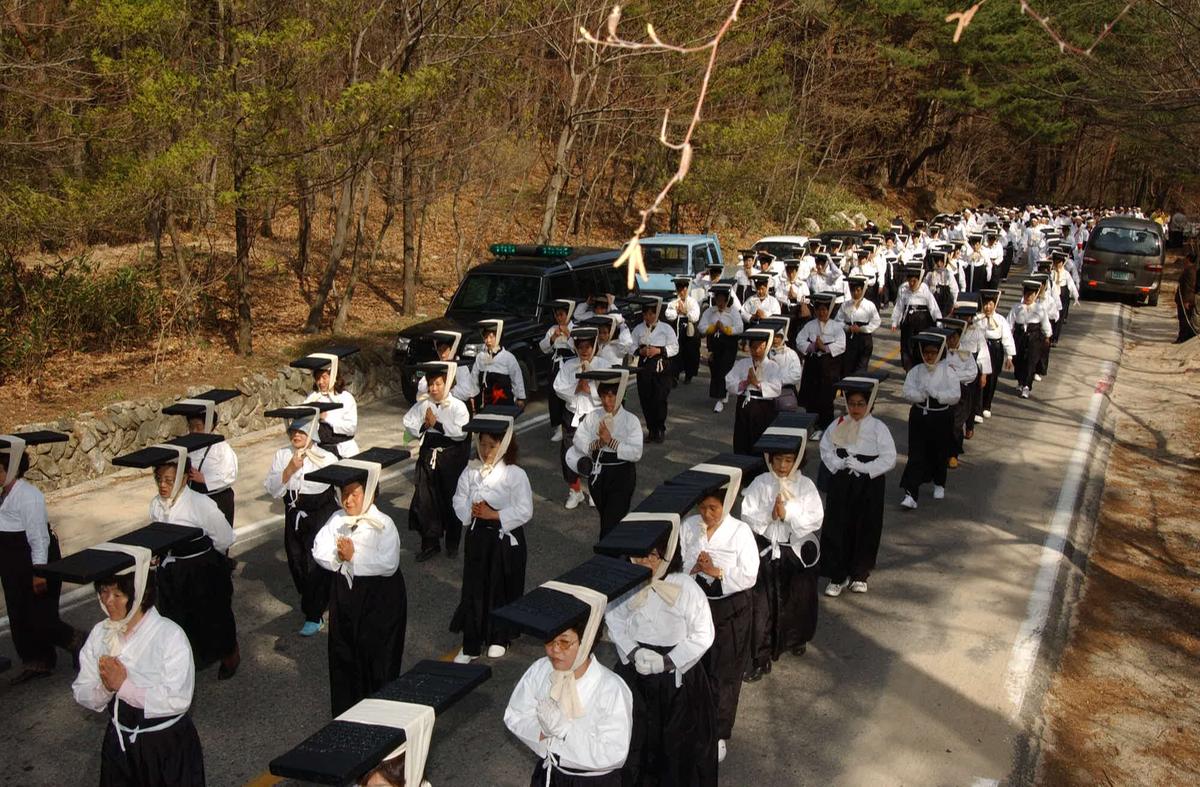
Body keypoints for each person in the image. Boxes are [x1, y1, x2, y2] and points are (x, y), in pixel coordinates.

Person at [68, 540, 206, 786]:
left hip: (165, 749)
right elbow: (82, 689)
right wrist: (105, 688)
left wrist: (123, 686)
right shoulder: (101, 633)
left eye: (118, 594)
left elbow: (178, 699)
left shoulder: (169, 635)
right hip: (119, 743)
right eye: (104, 592)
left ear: (140, 593)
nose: (109, 601)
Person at [603, 518, 718, 786]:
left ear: (667, 555)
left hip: (677, 675)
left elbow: (703, 633)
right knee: (636, 739)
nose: (646, 562)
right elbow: (614, 618)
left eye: (653, 556)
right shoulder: (625, 583)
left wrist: (667, 661)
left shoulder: (686, 586)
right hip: (636, 671)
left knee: (677, 744)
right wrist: (632, 653)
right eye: (639, 555)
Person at [114, 436, 240, 679]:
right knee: (176, 619)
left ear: (184, 479)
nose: (163, 485)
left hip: (201, 568)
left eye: (170, 480)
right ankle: (183, 663)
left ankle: (229, 653)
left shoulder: (201, 504)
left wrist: (211, 562)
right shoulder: (156, 505)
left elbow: (224, 537)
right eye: (159, 479)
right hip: (171, 571)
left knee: (212, 617)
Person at [310, 449, 409, 715]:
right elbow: (319, 548)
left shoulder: (383, 524)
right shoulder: (337, 520)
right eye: (344, 493)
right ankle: (349, 713)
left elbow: (388, 563)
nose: (348, 500)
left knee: (378, 656)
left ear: (370, 493)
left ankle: (380, 714)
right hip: (346, 594)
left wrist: (354, 558)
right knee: (344, 653)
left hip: (380, 598)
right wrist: (340, 560)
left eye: (355, 493)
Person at [504, 583, 634, 786]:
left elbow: (614, 753)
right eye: (549, 641)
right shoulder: (540, 670)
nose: (554, 650)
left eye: (564, 642)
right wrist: (543, 734)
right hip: (550, 774)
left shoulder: (611, 688)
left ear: (587, 641)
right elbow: (515, 714)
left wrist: (565, 731)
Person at [680, 477, 759, 763]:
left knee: (724, 674)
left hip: (731, 609)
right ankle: (696, 725)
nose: (707, 515)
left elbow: (750, 574)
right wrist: (694, 567)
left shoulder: (740, 531)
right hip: (697, 606)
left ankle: (719, 733)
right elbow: (678, 561)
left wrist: (716, 572)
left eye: (713, 508)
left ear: (726, 505)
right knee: (696, 669)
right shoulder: (689, 527)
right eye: (702, 508)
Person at [0, 432, 84, 683]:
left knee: (41, 617)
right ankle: (37, 661)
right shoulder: (3, 494)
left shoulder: (28, 496)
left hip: (32, 559)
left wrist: (39, 572)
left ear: (11, 468)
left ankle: (78, 641)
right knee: (18, 614)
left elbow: (38, 537)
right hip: (11, 562)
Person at [741, 426, 824, 681]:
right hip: (767, 550)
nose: (782, 465)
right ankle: (761, 656)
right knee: (762, 606)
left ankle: (795, 638)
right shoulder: (760, 483)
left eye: (788, 460)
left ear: (797, 459)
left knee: (796, 601)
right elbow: (746, 512)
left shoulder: (806, 486)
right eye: (777, 459)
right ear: (769, 459)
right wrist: (770, 515)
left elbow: (815, 517)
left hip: (793, 552)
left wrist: (788, 515)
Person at [451, 414, 532, 664]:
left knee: (499, 585)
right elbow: (459, 498)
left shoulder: (514, 474)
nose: (486, 450)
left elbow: (525, 509)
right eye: (482, 444)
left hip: (504, 537)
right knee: (474, 586)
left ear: (504, 445)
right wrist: (469, 512)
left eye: (492, 445)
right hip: (477, 535)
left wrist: (495, 514)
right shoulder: (471, 470)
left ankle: (499, 637)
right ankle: (471, 643)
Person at [264, 405, 340, 636]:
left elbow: (339, 487)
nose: (296, 436)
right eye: (293, 432)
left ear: (312, 433)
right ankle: (315, 598)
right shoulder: (282, 455)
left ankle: (314, 614)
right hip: (294, 513)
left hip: (320, 514)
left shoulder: (327, 457)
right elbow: (272, 488)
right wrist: (288, 470)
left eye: (302, 432)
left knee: (314, 563)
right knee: (296, 562)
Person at [819, 377, 897, 597]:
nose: (855, 408)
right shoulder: (839, 424)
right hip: (843, 480)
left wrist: (865, 467)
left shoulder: (878, 428)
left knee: (866, 524)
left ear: (869, 404)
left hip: (868, 483)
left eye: (860, 404)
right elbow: (826, 448)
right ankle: (838, 574)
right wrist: (838, 463)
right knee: (838, 523)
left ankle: (860, 573)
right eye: (851, 403)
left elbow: (889, 457)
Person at [404, 362, 471, 562]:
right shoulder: (424, 404)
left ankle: (452, 542)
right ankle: (430, 543)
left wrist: (438, 425)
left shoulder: (458, 406)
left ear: (447, 384)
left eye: (438, 384)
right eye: (431, 384)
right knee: (425, 500)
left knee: (450, 500)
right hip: (428, 455)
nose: (433, 389)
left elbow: (461, 433)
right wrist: (425, 425)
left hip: (451, 458)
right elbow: (408, 422)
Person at [568, 369, 643, 537]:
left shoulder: (631, 420)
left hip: (621, 474)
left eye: (611, 396)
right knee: (606, 517)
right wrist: (597, 443)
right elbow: (578, 438)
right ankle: (616, 548)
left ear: (620, 395)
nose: (607, 401)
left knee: (612, 519)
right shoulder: (594, 416)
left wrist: (611, 442)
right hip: (598, 474)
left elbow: (636, 452)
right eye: (603, 396)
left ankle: (606, 555)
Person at [898, 333, 961, 510]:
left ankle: (939, 482)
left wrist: (938, 395)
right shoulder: (916, 371)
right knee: (916, 453)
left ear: (940, 353)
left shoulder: (948, 371)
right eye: (926, 352)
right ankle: (911, 494)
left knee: (939, 451)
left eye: (933, 352)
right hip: (919, 416)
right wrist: (920, 395)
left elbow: (955, 395)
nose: (929, 356)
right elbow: (906, 391)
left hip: (940, 416)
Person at [163, 390, 241, 525]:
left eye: (198, 427)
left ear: (210, 426)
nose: (194, 431)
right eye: (191, 427)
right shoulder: (187, 447)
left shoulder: (222, 448)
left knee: (219, 536)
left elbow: (230, 474)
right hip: (194, 498)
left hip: (217, 498)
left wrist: (205, 479)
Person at [553, 327, 611, 510]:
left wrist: (591, 390)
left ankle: (595, 490)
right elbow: (558, 387)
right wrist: (576, 388)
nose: (584, 350)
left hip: (595, 414)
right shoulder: (570, 365)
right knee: (569, 453)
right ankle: (575, 491)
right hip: (573, 415)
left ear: (594, 346)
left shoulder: (604, 365)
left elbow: (612, 392)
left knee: (596, 453)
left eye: (588, 346)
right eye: (581, 347)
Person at [794, 292, 846, 436]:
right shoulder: (810, 325)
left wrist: (825, 348)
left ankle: (826, 427)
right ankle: (813, 425)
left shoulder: (836, 326)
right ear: (815, 311)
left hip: (829, 366)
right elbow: (799, 341)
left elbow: (842, 345)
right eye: (819, 310)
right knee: (812, 396)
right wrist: (813, 347)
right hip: (813, 364)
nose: (822, 312)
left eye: (825, 310)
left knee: (826, 397)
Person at [724, 327, 782, 455]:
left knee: (761, 438)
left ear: (766, 347)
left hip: (764, 406)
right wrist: (745, 383)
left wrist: (757, 384)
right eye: (753, 347)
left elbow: (777, 388)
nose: (756, 351)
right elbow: (728, 380)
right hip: (745, 403)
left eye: (760, 347)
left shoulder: (773, 366)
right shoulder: (743, 363)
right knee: (742, 438)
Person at [298, 347, 361, 458]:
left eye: (324, 377)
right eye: (317, 378)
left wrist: (326, 419)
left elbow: (351, 428)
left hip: (344, 450)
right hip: (319, 451)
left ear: (333, 376)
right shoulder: (313, 398)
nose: (320, 382)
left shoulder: (345, 398)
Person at [630, 298, 679, 443]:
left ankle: (660, 428)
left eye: (652, 314)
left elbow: (675, 347)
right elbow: (630, 345)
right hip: (644, 366)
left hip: (661, 366)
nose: (649, 317)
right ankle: (651, 430)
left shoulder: (666, 328)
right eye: (646, 314)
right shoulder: (638, 329)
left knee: (660, 398)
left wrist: (659, 350)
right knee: (646, 399)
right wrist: (640, 350)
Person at [455, 319, 528, 412]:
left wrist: (520, 398)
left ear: (498, 337)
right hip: (486, 402)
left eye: (491, 337)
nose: (488, 340)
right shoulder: (480, 357)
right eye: (485, 337)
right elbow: (474, 378)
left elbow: (516, 378)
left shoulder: (508, 358)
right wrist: (472, 396)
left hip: (504, 402)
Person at [939, 320, 979, 469]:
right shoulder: (941, 353)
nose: (951, 341)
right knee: (944, 422)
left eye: (954, 337)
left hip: (962, 393)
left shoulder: (966, 354)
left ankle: (953, 454)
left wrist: (954, 374)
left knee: (956, 424)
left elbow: (972, 373)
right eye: (948, 338)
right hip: (944, 392)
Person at [698, 284, 743, 413]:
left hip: (728, 344)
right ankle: (722, 391)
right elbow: (701, 327)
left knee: (724, 369)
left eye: (723, 300)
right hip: (714, 343)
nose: (721, 303)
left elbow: (740, 327)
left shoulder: (733, 312)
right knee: (715, 370)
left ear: (727, 300)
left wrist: (726, 329)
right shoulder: (710, 311)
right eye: (718, 300)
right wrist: (712, 328)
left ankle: (720, 398)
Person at [891, 264, 942, 370]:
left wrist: (939, 323)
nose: (912, 284)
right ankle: (909, 370)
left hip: (922, 322)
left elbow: (933, 308)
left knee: (920, 348)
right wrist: (894, 321)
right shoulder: (903, 289)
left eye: (914, 281)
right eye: (910, 281)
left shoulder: (925, 291)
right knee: (906, 348)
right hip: (908, 322)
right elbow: (899, 306)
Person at [1008, 280, 1052, 399]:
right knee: (1019, 360)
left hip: (1034, 339)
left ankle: (1027, 386)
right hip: (1019, 337)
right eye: (1026, 295)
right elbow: (1009, 323)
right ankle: (1020, 382)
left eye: (1031, 295)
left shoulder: (1039, 308)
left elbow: (1045, 323)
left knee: (1031, 362)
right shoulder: (1016, 308)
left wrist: (1047, 336)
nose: (1028, 297)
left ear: (1035, 295)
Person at [540, 300, 577, 443]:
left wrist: (569, 336)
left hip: (571, 363)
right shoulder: (552, 329)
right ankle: (558, 426)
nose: (559, 318)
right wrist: (552, 338)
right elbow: (543, 348)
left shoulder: (575, 328)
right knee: (554, 394)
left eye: (561, 314)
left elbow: (579, 348)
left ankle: (571, 423)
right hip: (556, 363)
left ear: (568, 314)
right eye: (557, 315)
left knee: (569, 393)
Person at [975, 289, 1015, 417]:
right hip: (981, 348)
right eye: (985, 304)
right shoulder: (977, 319)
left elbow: (1007, 338)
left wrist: (1009, 356)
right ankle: (977, 408)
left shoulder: (1001, 320)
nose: (988, 307)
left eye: (990, 304)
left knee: (992, 379)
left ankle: (987, 405)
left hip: (995, 350)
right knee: (979, 377)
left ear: (995, 305)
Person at [840, 276, 881, 376]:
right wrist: (847, 327)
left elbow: (876, 321)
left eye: (858, 290)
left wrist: (863, 329)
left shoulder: (869, 305)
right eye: (852, 290)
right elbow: (838, 321)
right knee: (848, 367)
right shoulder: (845, 305)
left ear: (862, 290)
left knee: (861, 368)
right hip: (849, 339)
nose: (855, 293)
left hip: (864, 339)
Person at [665, 276, 702, 384]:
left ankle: (688, 375)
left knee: (690, 353)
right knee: (676, 353)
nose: (682, 292)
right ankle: (675, 376)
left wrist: (685, 312)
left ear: (687, 289)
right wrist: (677, 311)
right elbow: (669, 315)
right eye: (679, 289)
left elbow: (695, 316)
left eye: (684, 289)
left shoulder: (693, 302)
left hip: (690, 332)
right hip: (677, 330)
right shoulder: (673, 302)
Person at [1176, 252, 1197, 343]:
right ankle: (1182, 337)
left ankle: (1184, 338)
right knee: (1182, 319)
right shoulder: (1189, 269)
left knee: (1185, 319)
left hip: (1186, 300)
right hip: (1182, 298)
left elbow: (1189, 287)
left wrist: (1186, 301)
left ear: (1188, 259)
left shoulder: (1190, 271)